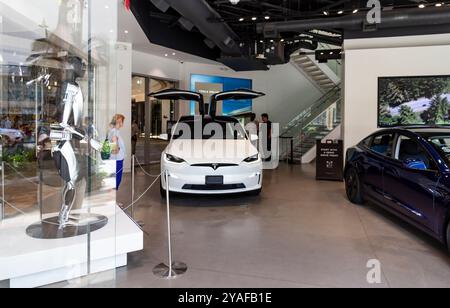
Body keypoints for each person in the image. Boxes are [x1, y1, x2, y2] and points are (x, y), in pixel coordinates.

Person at [108, 114, 127, 191]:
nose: (123, 123)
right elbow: (114, 149)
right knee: (116, 180)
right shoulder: (115, 132)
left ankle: (113, 201)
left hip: (116, 159)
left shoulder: (114, 131)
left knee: (115, 180)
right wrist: (117, 148)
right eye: (122, 121)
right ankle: (113, 201)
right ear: (119, 122)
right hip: (117, 159)